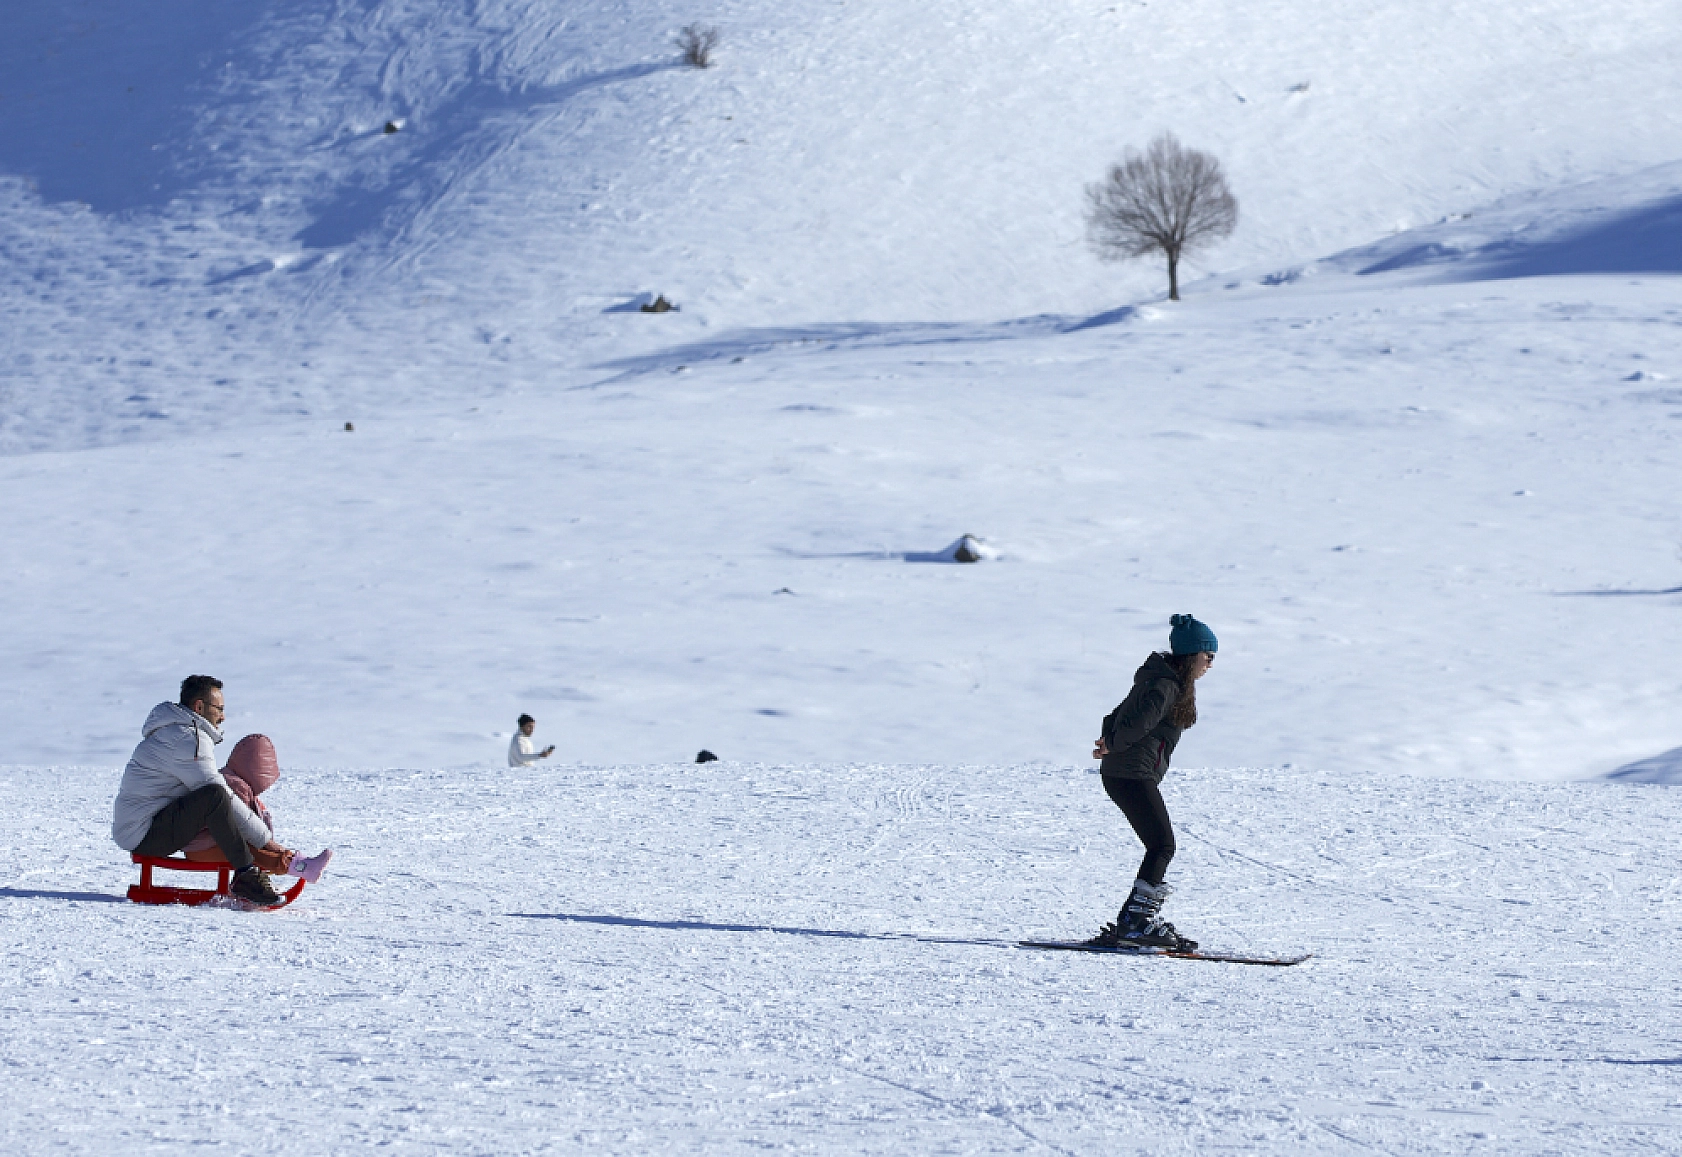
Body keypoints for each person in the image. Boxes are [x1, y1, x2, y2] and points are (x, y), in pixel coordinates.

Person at [1085, 614, 1218, 951]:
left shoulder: (1164, 681)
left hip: (1129, 773)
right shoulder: (1164, 685)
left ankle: (1136, 920)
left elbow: (1114, 717)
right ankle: (1135, 923)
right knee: (1162, 845)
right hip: (1130, 775)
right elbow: (1132, 723)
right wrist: (1114, 743)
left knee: (1159, 845)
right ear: (1192, 655)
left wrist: (1110, 740)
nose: (1211, 665)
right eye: (1208, 657)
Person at [111, 676, 283, 906]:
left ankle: (250, 869)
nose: (222, 716)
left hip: (143, 826)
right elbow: (219, 795)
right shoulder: (187, 739)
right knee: (214, 795)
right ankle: (246, 875)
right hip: (144, 834)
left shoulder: (175, 733)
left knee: (214, 795)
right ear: (199, 707)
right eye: (219, 709)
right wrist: (265, 840)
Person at [180, 734, 332, 884]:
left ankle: (298, 864)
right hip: (203, 849)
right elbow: (242, 826)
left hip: (205, 845)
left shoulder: (231, 780)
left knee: (250, 850)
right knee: (250, 853)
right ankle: (301, 867)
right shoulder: (236, 786)